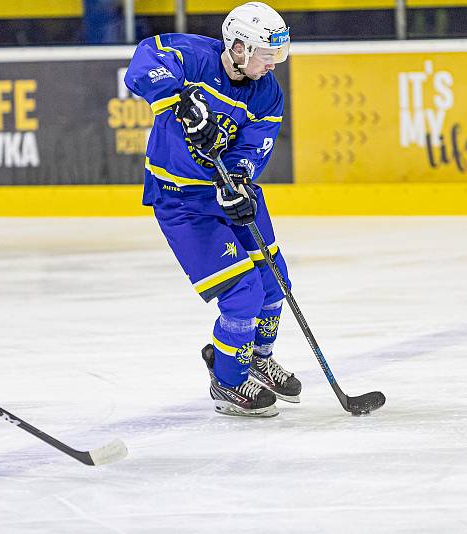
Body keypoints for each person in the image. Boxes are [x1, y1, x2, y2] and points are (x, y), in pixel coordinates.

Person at [124, 2, 301, 418]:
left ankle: (255, 358)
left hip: (227, 192)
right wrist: (179, 100)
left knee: (276, 283)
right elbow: (143, 62)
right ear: (238, 48)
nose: (273, 64)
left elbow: (253, 147)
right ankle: (228, 379)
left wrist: (238, 179)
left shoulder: (268, 92)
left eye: (278, 55)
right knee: (243, 294)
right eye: (266, 55)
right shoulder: (193, 55)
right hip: (182, 200)